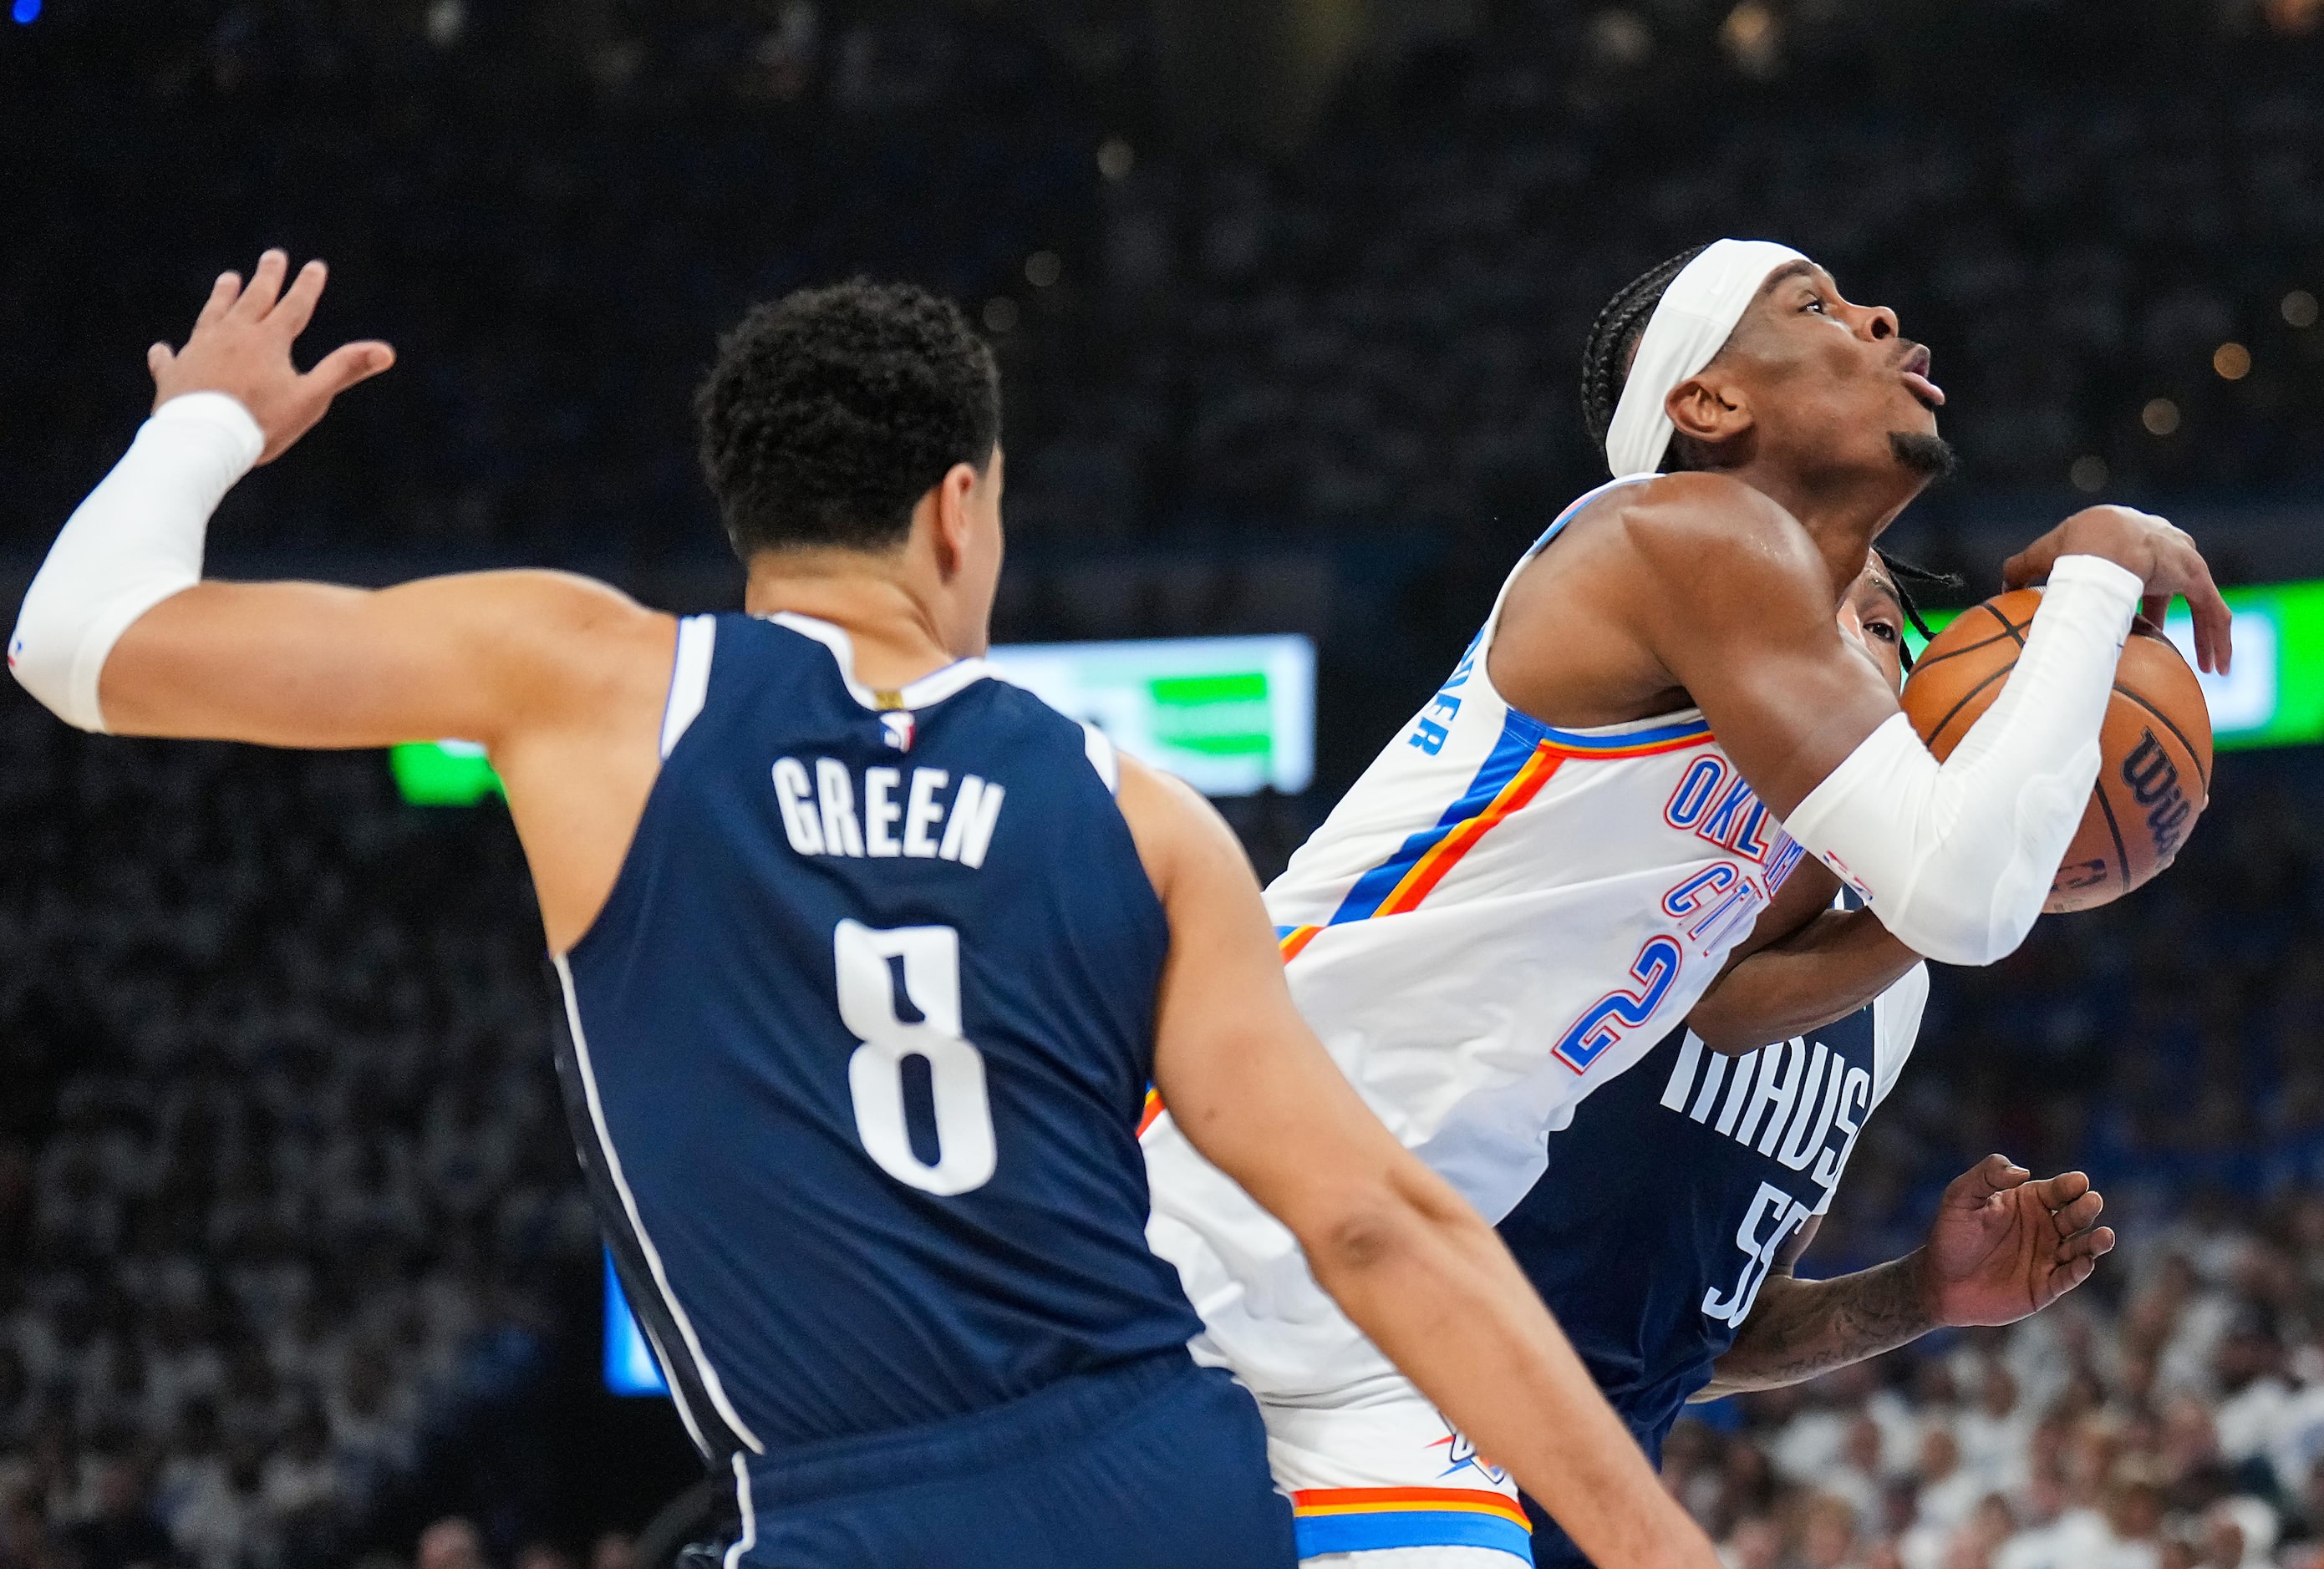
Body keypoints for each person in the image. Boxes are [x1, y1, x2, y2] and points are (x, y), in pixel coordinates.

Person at [8, 256, 1718, 1569]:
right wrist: (1654, 1546)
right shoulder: (1138, 812)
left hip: (856, 1508)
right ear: (959, 507)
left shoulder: (588, 679)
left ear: (746, 508)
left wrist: (209, 419)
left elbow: (73, 644)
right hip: (1169, 1485)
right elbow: (1378, 1229)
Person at [1140, 237, 2228, 1566]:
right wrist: (2098, 568)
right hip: (1214, 1204)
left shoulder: (1786, 782)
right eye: (1814, 305)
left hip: (1399, 1302)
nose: (1881, 310)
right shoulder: (1671, 534)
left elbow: (1882, 924)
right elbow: (1963, 892)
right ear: (1708, 406)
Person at [1498, 554, 2118, 1566]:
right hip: (1396, 1449)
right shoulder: (1610, 835)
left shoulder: (1891, 992)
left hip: (1589, 1509)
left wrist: (1921, 1294)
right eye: (1793, 604)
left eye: (1878, 624)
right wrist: (1989, 864)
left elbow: (1712, 1338)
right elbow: (1724, 1007)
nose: (1837, 636)